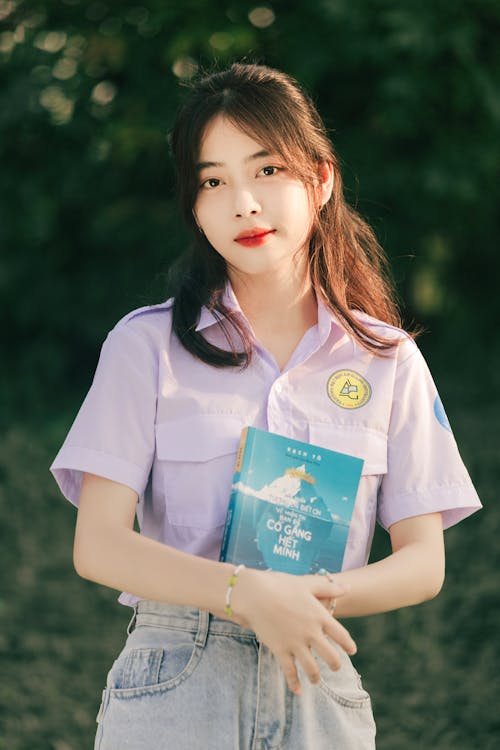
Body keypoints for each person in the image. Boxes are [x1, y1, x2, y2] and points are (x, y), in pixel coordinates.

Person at [50, 63, 482, 750]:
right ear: (193, 205)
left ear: (322, 179)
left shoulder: (387, 359)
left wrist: (306, 602)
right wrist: (244, 593)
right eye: (212, 181)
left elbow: (424, 561)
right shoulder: (146, 346)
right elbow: (97, 544)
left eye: (267, 170)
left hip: (317, 677)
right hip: (174, 684)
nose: (243, 203)